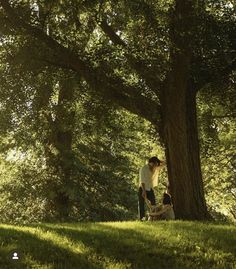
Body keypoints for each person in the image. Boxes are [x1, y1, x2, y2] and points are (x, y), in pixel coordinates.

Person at [138, 156, 165, 220]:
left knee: (153, 204)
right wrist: (144, 191)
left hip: (150, 188)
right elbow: (142, 181)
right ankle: (142, 219)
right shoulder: (144, 168)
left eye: (156, 164)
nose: (155, 166)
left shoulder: (155, 168)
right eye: (155, 164)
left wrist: (159, 161)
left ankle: (154, 218)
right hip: (142, 188)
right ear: (151, 163)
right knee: (141, 205)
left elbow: (165, 163)